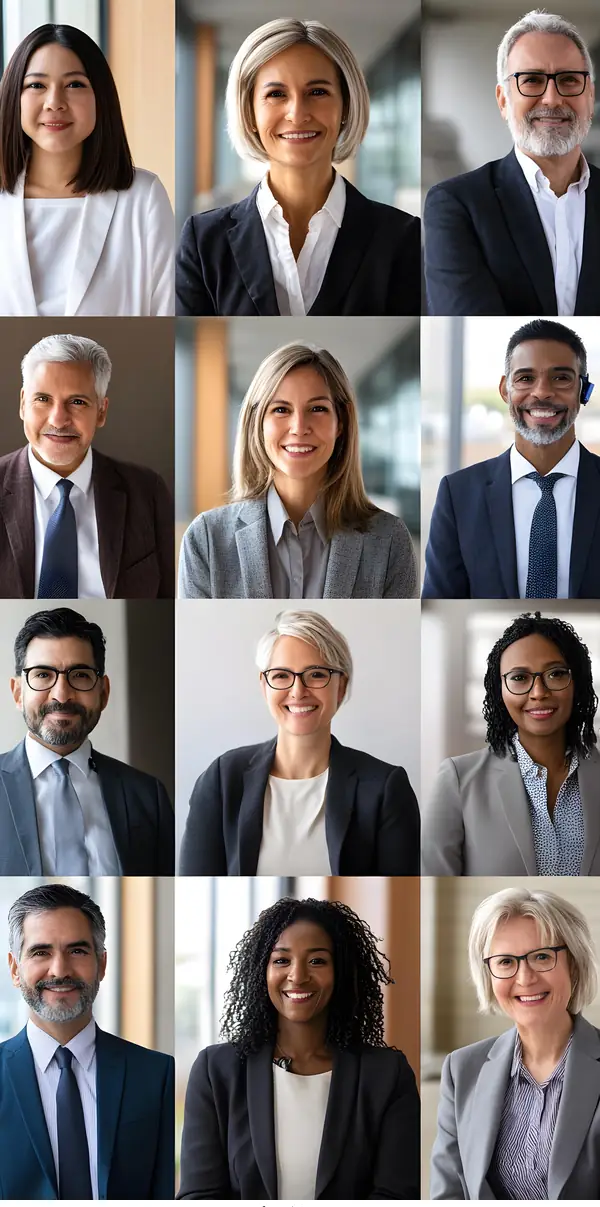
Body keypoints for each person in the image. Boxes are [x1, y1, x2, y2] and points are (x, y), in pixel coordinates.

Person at [178, 896, 419, 1200]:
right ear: (261, 971)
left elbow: (395, 1199)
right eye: (281, 960)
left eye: (317, 960)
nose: (298, 976)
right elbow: (199, 1199)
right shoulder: (217, 1071)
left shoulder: (387, 1075)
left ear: (341, 971)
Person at [176, 18, 420, 317]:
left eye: (317, 92)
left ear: (345, 106)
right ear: (249, 112)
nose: (297, 113)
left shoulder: (401, 237)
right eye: (276, 94)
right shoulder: (204, 241)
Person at [179, 610, 419, 876]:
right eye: (281, 675)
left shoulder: (385, 787)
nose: (298, 691)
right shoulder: (222, 779)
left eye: (316, 674)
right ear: (264, 685)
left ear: (341, 686)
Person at [178, 343, 417, 599]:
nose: (299, 427)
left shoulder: (389, 540)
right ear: (257, 423)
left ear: (341, 423)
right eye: (281, 409)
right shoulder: (206, 539)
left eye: (317, 409)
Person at [0, 883, 174, 1199]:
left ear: (102, 964)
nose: (60, 970)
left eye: (77, 951)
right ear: (15, 969)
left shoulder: (156, 1074)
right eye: (41, 952)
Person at [424, 10, 599, 316]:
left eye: (569, 80)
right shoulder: (457, 205)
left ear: (591, 96)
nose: (552, 99)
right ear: (503, 100)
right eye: (531, 80)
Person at [431, 886, 600, 1199]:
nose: (525, 978)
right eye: (506, 962)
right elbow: (449, 1197)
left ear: (573, 964)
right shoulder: (462, 1069)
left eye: (541, 957)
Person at [0, 24, 173, 316]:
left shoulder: (143, 197)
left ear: (101, 98)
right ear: (13, 97)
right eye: (36, 85)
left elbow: (166, 309)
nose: (55, 103)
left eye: (75, 84)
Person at [423, 319, 600, 598]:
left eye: (561, 377)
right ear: (505, 389)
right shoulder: (457, 495)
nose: (541, 392)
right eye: (526, 378)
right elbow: (440, 601)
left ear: (584, 391)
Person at [422, 612, 600, 876]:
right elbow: (433, 882)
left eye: (556, 674)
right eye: (519, 678)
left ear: (578, 682)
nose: (539, 692)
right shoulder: (458, 780)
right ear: (499, 690)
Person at [0, 606, 174, 876]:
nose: (62, 694)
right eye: (43, 675)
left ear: (103, 692)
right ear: (18, 693)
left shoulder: (147, 795)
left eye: (79, 675)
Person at [0, 333, 174, 598]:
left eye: (77, 402)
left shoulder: (146, 491)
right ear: (23, 403)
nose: (58, 420)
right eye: (43, 399)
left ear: (102, 411)